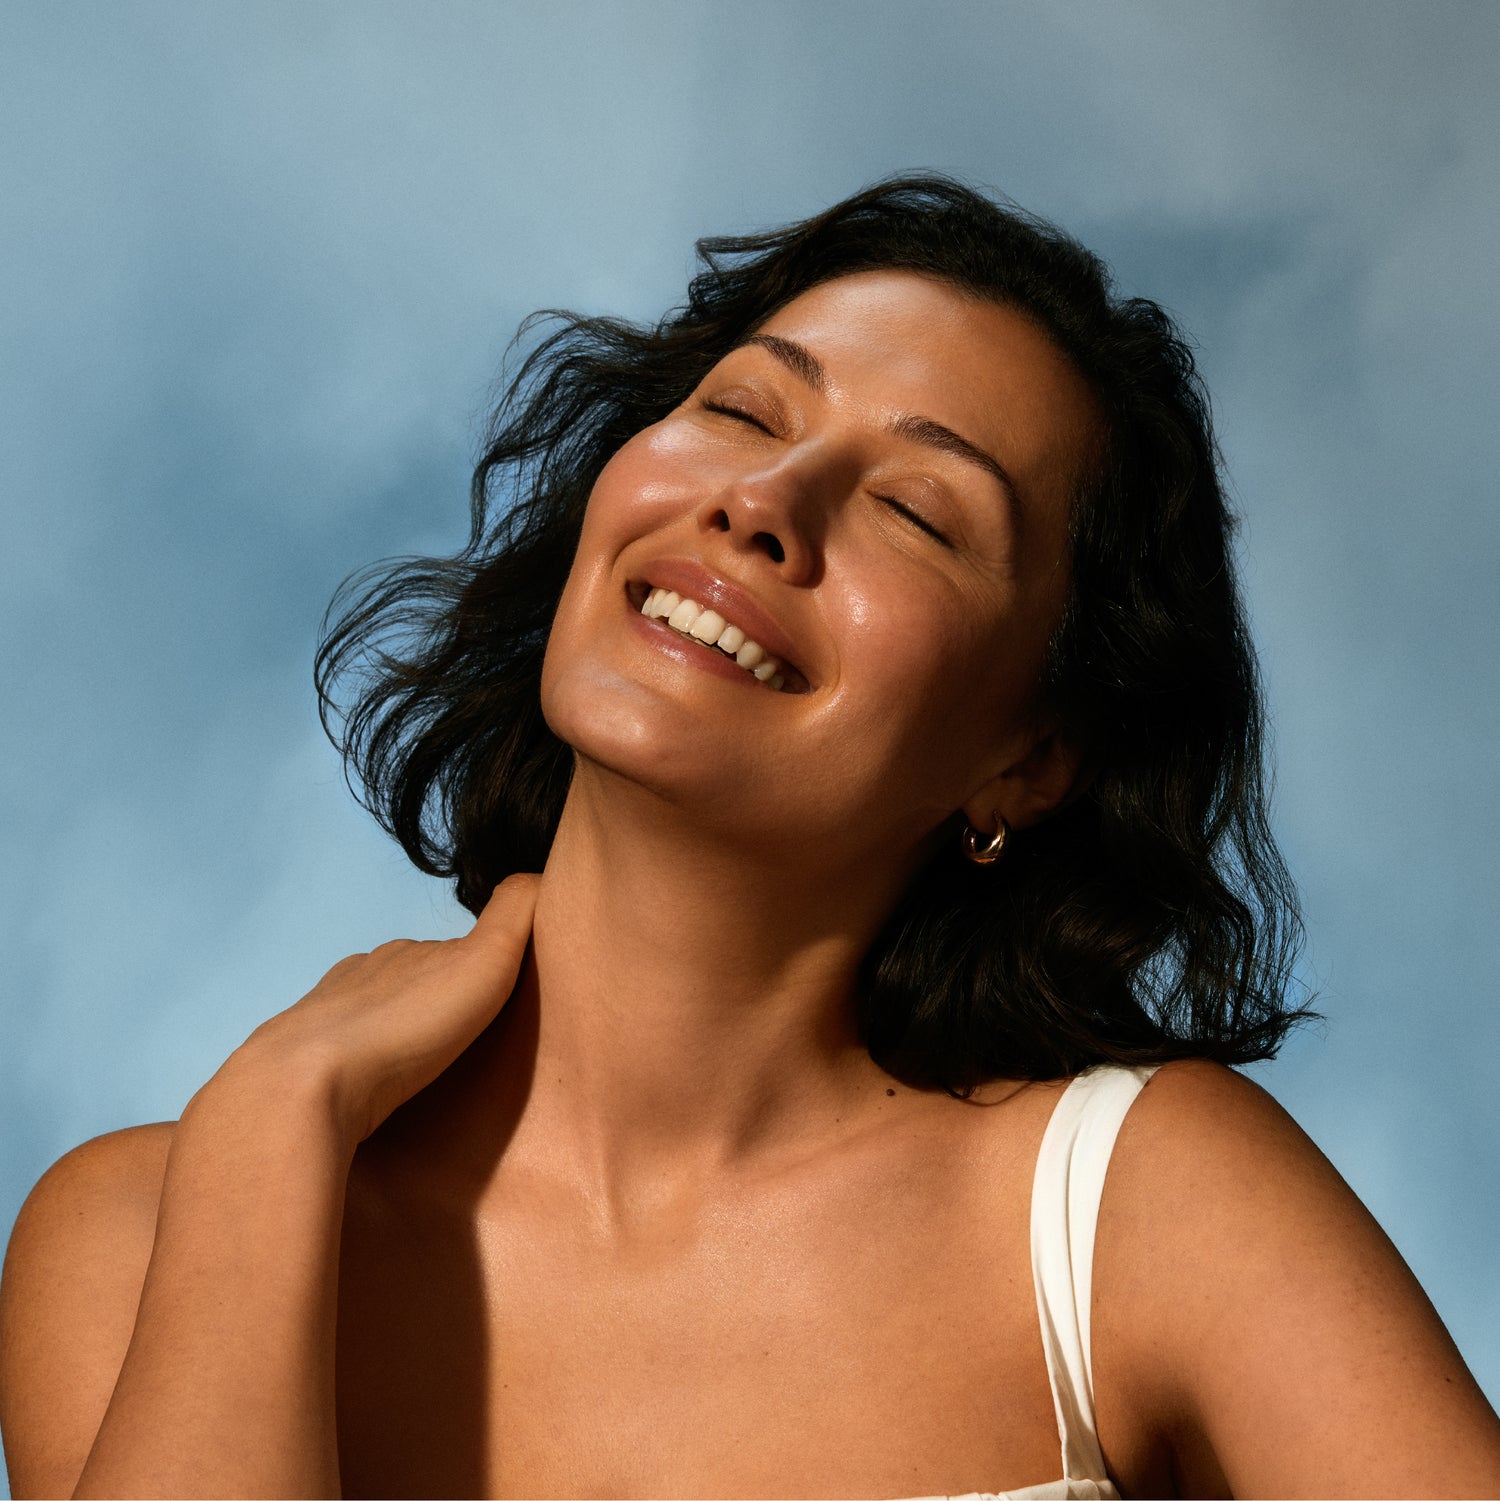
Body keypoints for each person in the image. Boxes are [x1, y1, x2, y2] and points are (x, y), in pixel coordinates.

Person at [1, 175, 1497, 1500]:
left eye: (917, 510)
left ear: (1028, 757)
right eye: (740, 410)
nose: (766, 503)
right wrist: (278, 1120)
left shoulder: (1137, 1209)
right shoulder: (141, 1235)